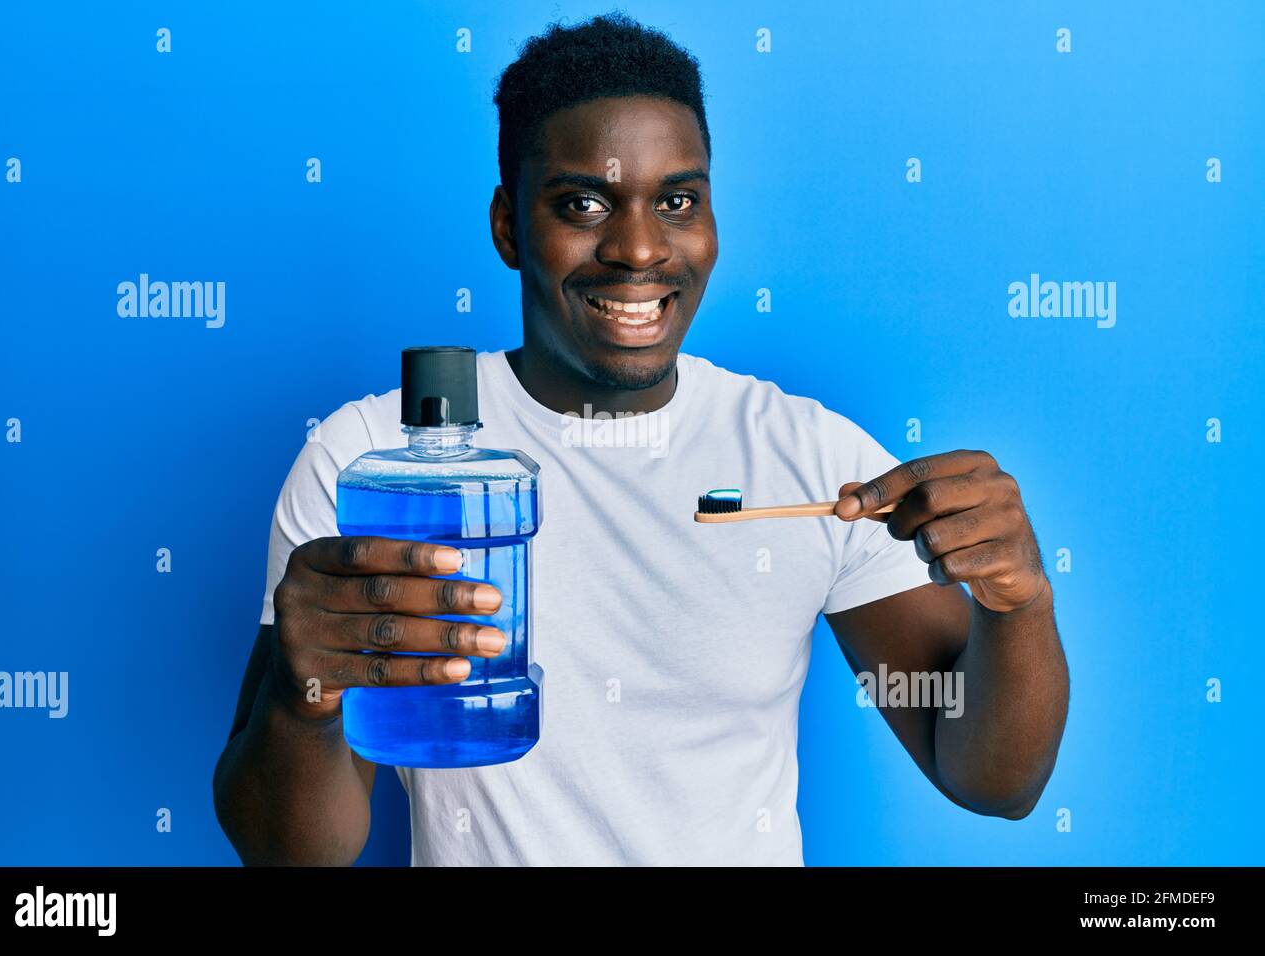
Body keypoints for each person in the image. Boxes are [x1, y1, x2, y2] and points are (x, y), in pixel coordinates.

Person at [213, 12, 1068, 866]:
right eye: (584, 203)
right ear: (509, 226)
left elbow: (993, 781)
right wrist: (304, 698)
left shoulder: (811, 455)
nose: (639, 249)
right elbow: (288, 852)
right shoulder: (374, 464)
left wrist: (1018, 604)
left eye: (677, 202)